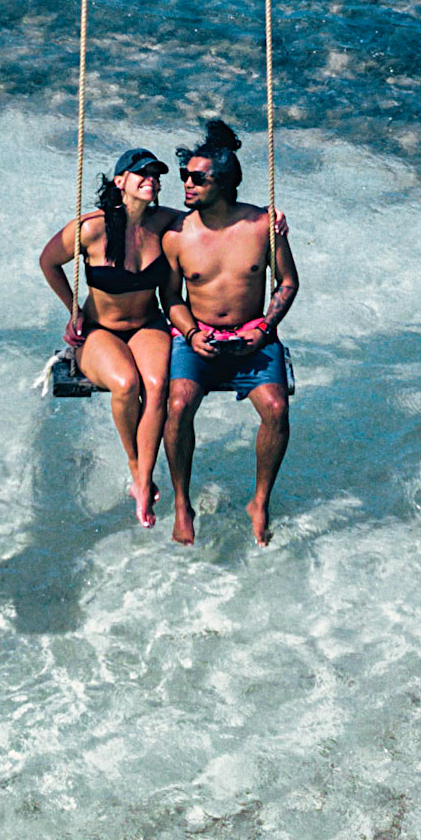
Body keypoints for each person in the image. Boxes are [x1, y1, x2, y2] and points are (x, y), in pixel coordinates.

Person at [161, 119, 299, 547]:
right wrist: (189, 332)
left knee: (276, 408)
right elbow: (171, 299)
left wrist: (265, 327)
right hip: (195, 337)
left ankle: (259, 501)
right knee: (179, 403)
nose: (186, 184)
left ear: (224, 183)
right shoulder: (177, 235)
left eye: (196, 178)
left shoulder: (263, 227)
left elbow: (288, 283)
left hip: (252, 337)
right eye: (185, 176)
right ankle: (182, 502)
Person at [38, 148, 176, 527]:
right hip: (100, 331)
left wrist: (268, 220)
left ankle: (143, 482)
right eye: (142, 173)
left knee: (158, 384)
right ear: (121, 182)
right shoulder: (91, 227)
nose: (152, 179)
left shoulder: (166, 222)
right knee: (126, 383)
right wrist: (73, 310)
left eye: (156, 174)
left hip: (148, 325)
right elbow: (48, 261)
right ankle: (136, 467)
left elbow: (217, 222)